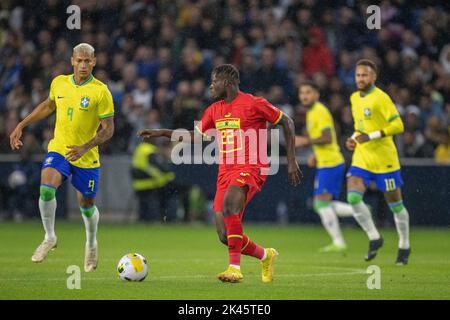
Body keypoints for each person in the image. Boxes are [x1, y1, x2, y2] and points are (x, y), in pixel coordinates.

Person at [138, 64, 301, 283]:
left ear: (228, 82)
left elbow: (287, 122)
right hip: (225, 171)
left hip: (250, 167)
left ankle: (234, 268)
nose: (211, 85)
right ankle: (266, 255)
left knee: (229, 208)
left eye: (214, 81)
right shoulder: (214, 110)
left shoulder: (254, 103)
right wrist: (162, 133)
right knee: (225, 235)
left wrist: (291, 160)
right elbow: (193, 136)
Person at [9, 43, 115, 272]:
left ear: (94, 62)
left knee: (86, 204)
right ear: (72, 61)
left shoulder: (101, 91)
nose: (84, 65)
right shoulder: (59, 82)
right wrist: (22, 124)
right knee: (46, 186)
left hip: (86, 155)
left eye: (88, 61)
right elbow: (48, 105)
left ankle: (91, 242)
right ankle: (49, 237)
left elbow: (108, 129)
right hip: (60, 148)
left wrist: (86, 147)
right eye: (80, 60)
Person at [346, 59, 411, 265]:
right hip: (363, 157)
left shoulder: (381, 98)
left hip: (385, 160)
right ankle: (375, 236)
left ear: (374, 77)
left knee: (396, 206)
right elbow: (360, 127)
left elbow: (399, 125)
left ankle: (404, 244)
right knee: (353, 198)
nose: (360, 78)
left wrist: (372, 136)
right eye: (358, 75)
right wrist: (353, 138)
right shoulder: (354, 98)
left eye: (365, 75)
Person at [295, 81, 354, 253]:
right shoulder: (312, 112)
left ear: (316, 94)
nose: (304, 96)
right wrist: (315, 154)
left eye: (308, 92)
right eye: (302, 93)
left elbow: (327, 137)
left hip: (331, 163)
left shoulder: (319, 111)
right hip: (325, 162)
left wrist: (305, 141)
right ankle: (357, 214)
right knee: (322, 204)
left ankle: (343, 234)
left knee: (321, 204)